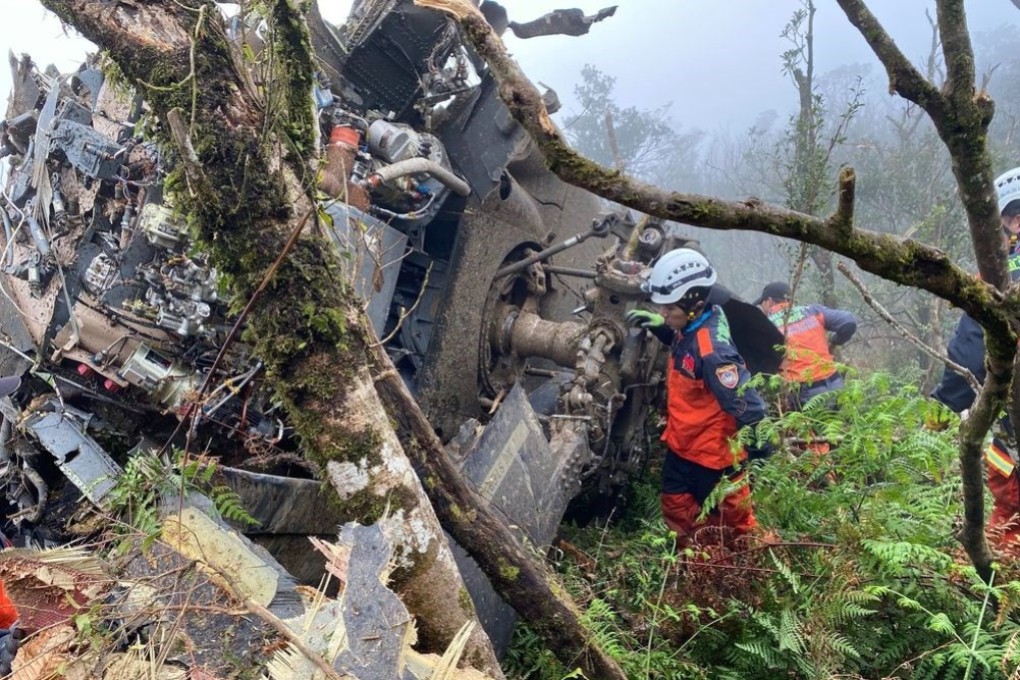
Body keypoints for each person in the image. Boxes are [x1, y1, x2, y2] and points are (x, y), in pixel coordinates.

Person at [626, 248, 772, 545]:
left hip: (713, 457)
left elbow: (747, 403)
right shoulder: (695, 320)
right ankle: (693, 560)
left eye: (668, 308)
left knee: (733, 524)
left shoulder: (714, 353)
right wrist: (663, 331)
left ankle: (734, 567)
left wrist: (759, 450)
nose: (663, 313)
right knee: (676, 507)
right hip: (683, 444)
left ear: (693, 301)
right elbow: (687, 351)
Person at [932, 165, 1020, 550]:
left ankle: (1003, 595)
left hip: (1015, 425)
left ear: (1011, 220)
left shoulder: (1000, 277)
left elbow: (970, 350)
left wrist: (946, 404)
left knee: (1010, 523)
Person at [754, 281, 857, 411]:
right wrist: (835, 341)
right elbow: (848, 321)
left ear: (769, 301)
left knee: (815, 431)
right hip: (836, 383)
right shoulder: (812, 311)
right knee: (842, 429)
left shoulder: (765, 325)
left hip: (806, 393)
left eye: (762, 304)